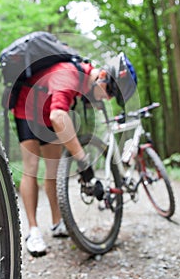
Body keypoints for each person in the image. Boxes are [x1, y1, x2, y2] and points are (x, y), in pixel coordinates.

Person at [12, 47, 137, 257]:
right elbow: (58, 117)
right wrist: (83, 161)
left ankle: (56, 223)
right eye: (110, 92)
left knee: (52, 171)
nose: (107, 99)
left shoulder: (85, 80)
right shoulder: (70, 74)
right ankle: (33, 231)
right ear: (103, 77)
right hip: (28, 109)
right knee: (31, 169)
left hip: (47, 110)